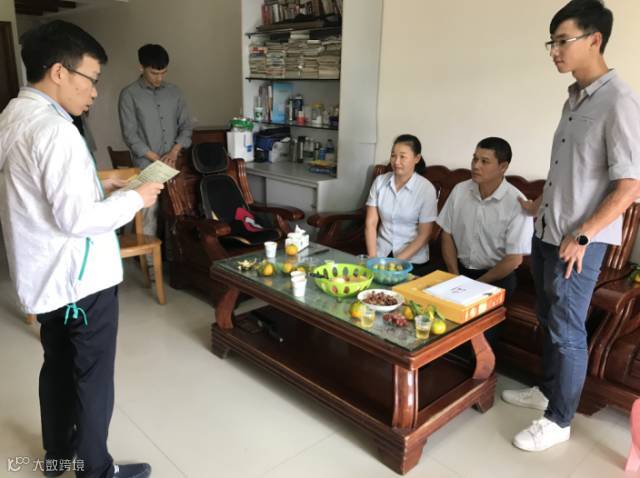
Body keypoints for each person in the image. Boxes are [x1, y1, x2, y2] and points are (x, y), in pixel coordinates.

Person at [0, 20, 163, 478]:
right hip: (80, 281)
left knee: (56, 366)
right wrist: (137, 197)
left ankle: (57, 457)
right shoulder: (57, 131)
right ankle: (96, 471)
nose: (94, 92)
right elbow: (77, 219)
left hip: (45, 278)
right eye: (90, 79)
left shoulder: (14, 115)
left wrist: (100, 182)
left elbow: (40, 189)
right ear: (59, 72)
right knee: (92, 379)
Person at [502, 0, 640, 452]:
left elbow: (629, 186)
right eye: (552, 42)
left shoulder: (620, 102)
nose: (555, 51)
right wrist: (539, 203)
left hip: (578, 243)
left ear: (594, 40)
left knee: (566, 330)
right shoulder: (574, 99)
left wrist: (583, 235)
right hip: (547, 232)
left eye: (563, 41)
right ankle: (547, 392)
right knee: (548, 319)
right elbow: (570, 172)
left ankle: (559, 421)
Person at [437, 137, 533, 302]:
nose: (476, 166)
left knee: (476, 314)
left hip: (496, 276)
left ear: (503, 167)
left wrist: (475, 286)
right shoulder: (460, 190)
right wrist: (454, 276)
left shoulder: (517, 202)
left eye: (484, 161)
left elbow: (514, 259)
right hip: (457, 269)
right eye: (475, 159)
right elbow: (447, 234)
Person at [118, 44, 192, 241]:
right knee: (148, 218)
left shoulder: (175, 92)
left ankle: (174, 256)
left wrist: (174, 152)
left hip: (175, 164)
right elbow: (130, 135)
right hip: (147, 167)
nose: (159, 78)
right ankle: (148, 259)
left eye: (163, 73)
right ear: (141, 68)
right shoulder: (129, 95)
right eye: (154, 73)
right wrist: (157, 159)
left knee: (180, 216)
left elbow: (186, 126)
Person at [365, 134, 437, 275]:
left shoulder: (426, 189)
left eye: (402, 156)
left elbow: (424, 234)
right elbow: (371, 223)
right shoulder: (380, 182)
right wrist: (373, 258)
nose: (396, 161)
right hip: (381, 255)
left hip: (412, 260)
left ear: (417, 158)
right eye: (393, 156)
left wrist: (395, 263)